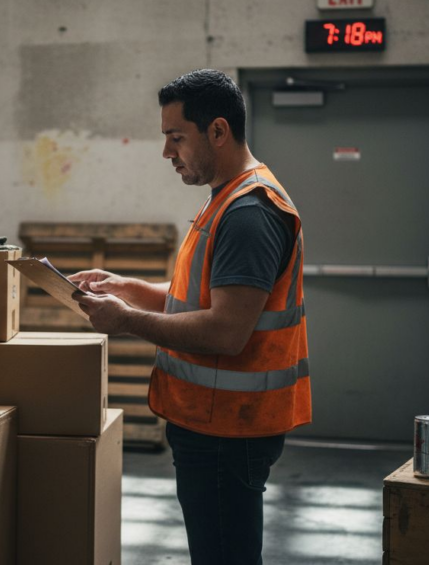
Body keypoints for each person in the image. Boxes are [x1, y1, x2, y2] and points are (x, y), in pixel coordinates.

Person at [69, 69, 312, 565]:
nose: (167, 152)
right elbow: (197, 299)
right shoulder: (226, 199)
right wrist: (127, 289)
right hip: (213, 421)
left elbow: (225, 331)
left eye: (176, 137)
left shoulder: (249, 213)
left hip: (228, 429)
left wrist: (125, 320)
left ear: (217, 131)